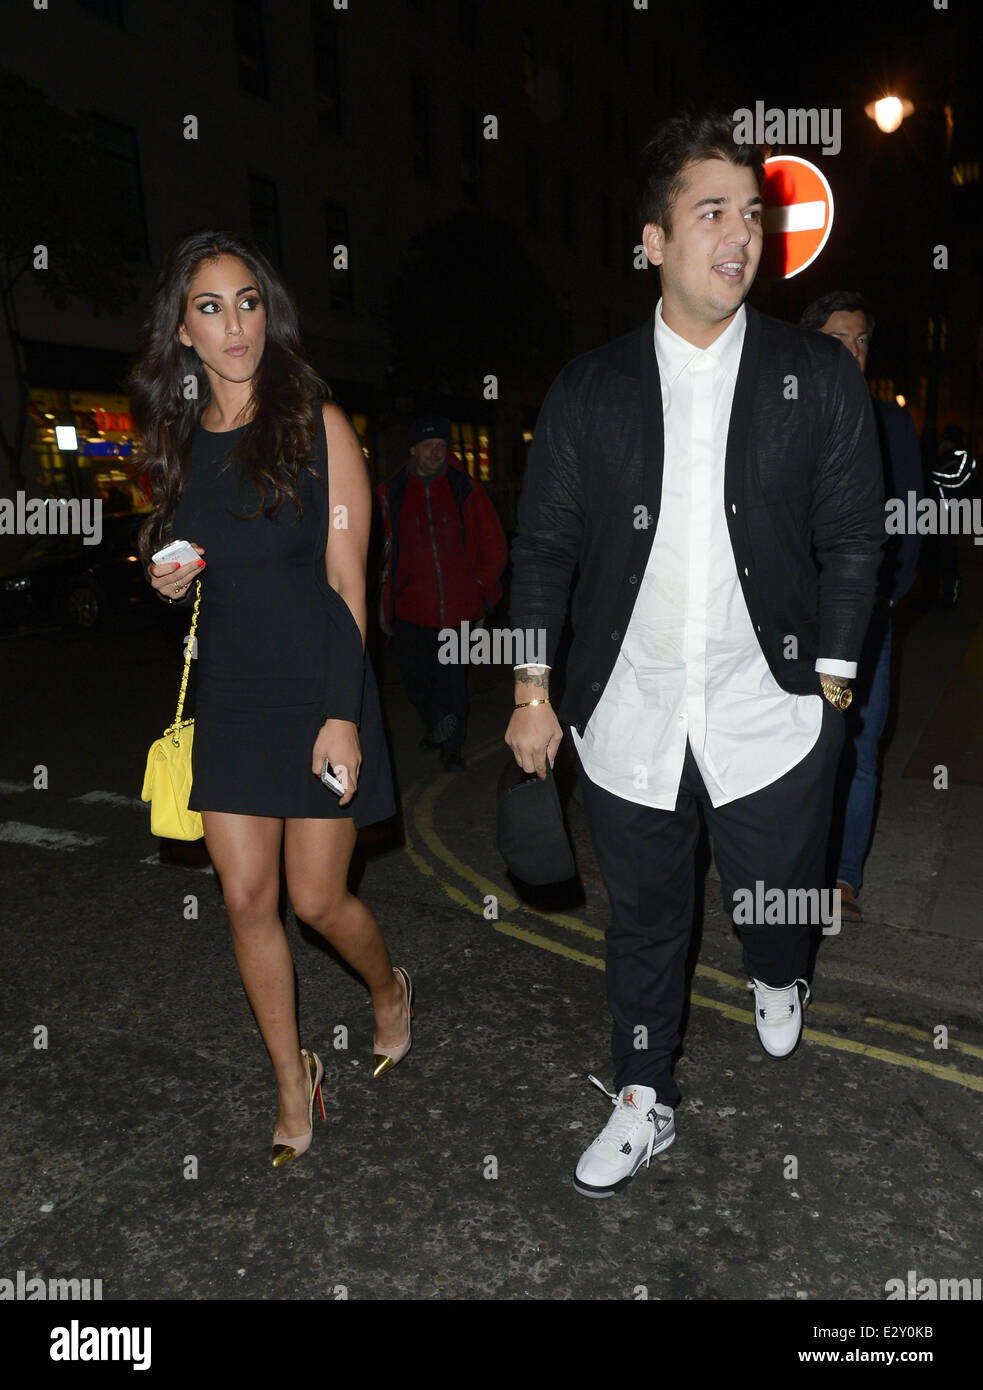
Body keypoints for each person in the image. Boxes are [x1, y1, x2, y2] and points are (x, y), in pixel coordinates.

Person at [506, 111, 884, 1199]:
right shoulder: (589, 389)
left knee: (773, 896)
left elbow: (853, 534)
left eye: (748, 215)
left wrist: (833, 679)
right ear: (652, 242)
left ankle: (776, 973)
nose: (737, 235)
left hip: (767, 699)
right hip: (627, 709)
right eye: (709, 213)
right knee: (645, 920)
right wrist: (532, 684)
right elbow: (542, 547)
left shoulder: (812, 375)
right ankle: (640, 1095)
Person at [133, 230, 412, 1168]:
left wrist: (343, 710)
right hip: (234, 696)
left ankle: (388, 991)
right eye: (209, 307)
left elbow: (346, 580)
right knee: (247, 900)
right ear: (184, 332)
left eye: (247, 300)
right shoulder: (179, 437)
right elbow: (181, 549)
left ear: (268, 311)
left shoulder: (316, 425)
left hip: (320, 686)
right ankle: (293, 1085)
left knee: (317, 898)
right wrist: (166, 576)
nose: (234, 323)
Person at [800, 291, 923, 922]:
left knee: (859, 744)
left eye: (862, 340)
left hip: (867, 617)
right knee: (801, 743)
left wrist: (891, 590)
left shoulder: (890, 423)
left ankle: (842, 880)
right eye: (837, 338)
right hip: (799, 617)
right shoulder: (788, 414)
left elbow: (909, 512)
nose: (852, 351)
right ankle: (795, 870)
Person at [377, 415, 507, 770]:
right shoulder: (392, 492)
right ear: (413, 449)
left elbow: (495, 544)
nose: (435, 453)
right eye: (427, 446)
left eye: (441, 446)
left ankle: (452, 745)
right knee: (416, 681)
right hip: (410, 611)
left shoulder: (466, 487)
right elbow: (377, 546)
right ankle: (437, 726)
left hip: (458, 611)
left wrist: (479, 588)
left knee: (451, 684)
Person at [922, 424, 977, 609]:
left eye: (945, 440)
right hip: (934, 514)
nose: (942, 443)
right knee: (933, 556)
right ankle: (931, 595)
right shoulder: (940, 458)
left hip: (950, 515)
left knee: (947, 558)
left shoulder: (965, 458)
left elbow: (957, 480)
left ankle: (948, 597)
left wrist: (933, 476)